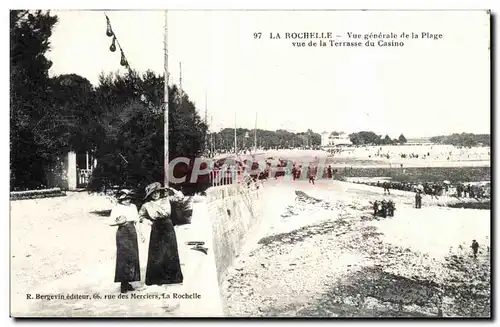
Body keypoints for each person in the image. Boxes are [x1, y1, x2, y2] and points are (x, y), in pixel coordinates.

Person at [139, 182, 184, 286]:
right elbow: (141, 216)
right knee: (157, 252)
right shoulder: (146, 205)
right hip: (156, 227)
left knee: (170, 250)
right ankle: (157, 279)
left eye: (157, 192)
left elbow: (180, 197)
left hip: (168, 225)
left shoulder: (167, 199)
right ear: (150, 195)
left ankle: (173, 278)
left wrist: (172, 189)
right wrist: (148, 221)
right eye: (153, 193)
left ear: (160, 191)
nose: (155, 194)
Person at [109, 189, 144, 293]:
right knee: (123, 257)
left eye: (128, 198)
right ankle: (123, 283)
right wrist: (119, 222)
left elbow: (137, 221)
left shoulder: (133, 207)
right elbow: (110, 222)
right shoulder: (116, 208)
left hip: (132, 232)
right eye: (125, 199)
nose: (127, 200)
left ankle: (129, 281)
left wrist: (140, 234)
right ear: (120, 199)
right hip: (122, 232)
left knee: (133, 256)